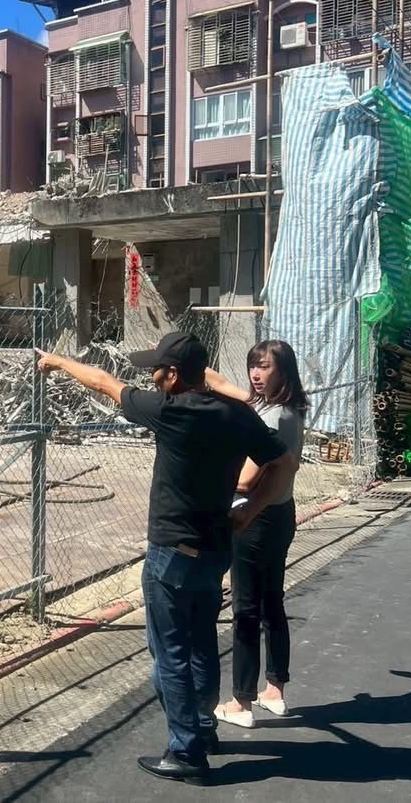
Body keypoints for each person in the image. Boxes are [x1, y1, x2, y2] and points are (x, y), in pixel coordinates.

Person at [35, 331, 298, 785]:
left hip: (171, 553)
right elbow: (284, 464)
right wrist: (250, 511)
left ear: (173, 375)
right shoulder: (236, 413)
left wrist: (57, 363)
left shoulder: (169, 411)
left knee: (170, 653)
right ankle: (204, 729)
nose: (152, 377)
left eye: (156, 370)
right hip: (216, 548)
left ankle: (186, 751)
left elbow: (103, 382)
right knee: (201, 642)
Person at [206, 340, 309, 730]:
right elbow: (232, 390)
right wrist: (201, 373)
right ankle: (274, 690)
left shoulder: (272, 418)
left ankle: (240, 702)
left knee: (246, 610)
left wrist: (211, 468)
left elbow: (247, 479)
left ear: (284, 371)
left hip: (255, 519)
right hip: (281, 514)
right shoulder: (288, 408)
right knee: (272, 603)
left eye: (264, 366)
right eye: (253, 365)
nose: (255, 373)